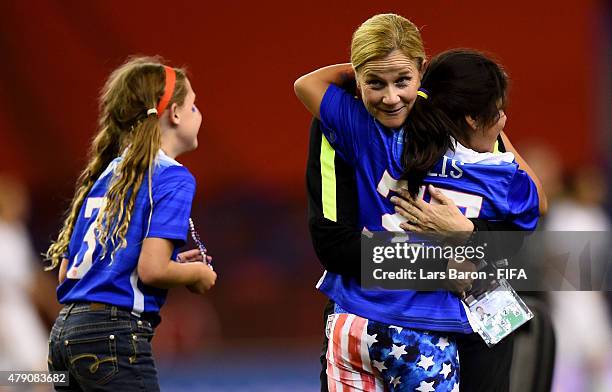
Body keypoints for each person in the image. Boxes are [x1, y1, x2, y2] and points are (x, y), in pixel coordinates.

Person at [295, 14, 543, 391]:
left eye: (403, 79)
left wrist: (468, 232)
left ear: (421, 72)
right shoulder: (351, 124)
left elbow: (533, 211)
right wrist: (445, 262)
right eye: (375, 81)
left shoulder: (445, 123)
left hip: (472, 313)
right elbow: (334, 245)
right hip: (415, 316)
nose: (391, 96)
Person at [45, 56, 217, 391]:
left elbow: (69, 273)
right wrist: (196, 274)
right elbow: (152, 270)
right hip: (112, 338)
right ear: (175, 113)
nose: (199, 114)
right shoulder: (174, 177)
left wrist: (172, 263)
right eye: (194, 106)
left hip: (64, 335)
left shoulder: (107, 175)